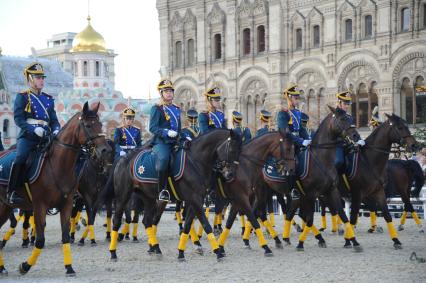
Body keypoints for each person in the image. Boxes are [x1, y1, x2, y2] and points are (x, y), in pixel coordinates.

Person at [8, 62, 60, 204]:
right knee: (21, 157)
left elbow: (54, 120)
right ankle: (13, 191)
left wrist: (56, 129)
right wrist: (33, 129)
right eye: (38, 78)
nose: (41, 80)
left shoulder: (48, 99)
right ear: (30, 79)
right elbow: (18, 119)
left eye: (42, 77)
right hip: (29, 137)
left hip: (46, 137)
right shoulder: (23, 97)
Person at [149, 79, 181, 201]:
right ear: (161, 93)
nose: (169, 93)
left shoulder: (176, 108)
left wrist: (184, 136)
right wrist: (166, 132)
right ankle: (161, 190)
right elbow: (152, 127)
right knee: (163, 160)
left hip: (176, 141)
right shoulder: (157, 108)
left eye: (170, 91)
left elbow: (178, 128)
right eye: (166, 91)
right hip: (161, 142)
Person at [334, 90, 365, 188]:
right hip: (337, 144)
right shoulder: (334, 116)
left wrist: (359, 140)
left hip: (349, 145)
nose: (347, 106)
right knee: (339, 161)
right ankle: (334, 183)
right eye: (345, 103)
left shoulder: (349, 117)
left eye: (348, 104)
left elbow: (353, 132)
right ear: (339, 103)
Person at [276, 84, 311, 151]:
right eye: (296, 98)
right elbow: (285, 132)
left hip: (297, 144)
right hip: (287, 145)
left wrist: (308, 140)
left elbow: (301, 129)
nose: (297, 101)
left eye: (298, 99)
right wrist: (301, 142)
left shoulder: (297, 112)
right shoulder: (283, 113)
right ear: (289, 98)